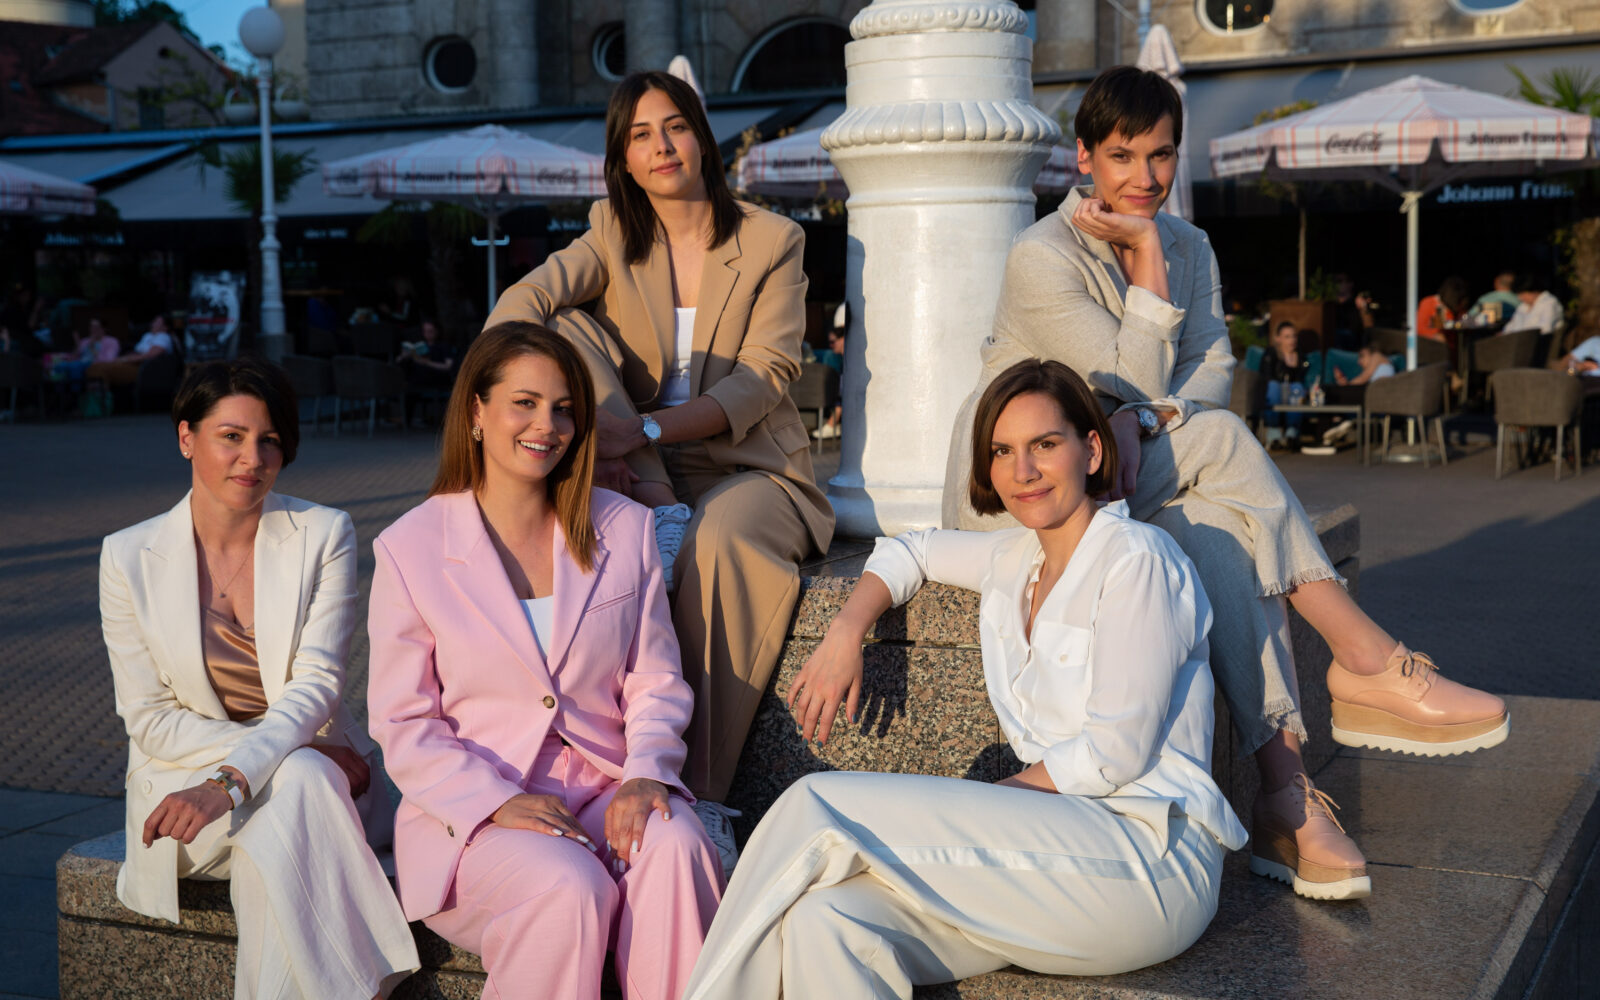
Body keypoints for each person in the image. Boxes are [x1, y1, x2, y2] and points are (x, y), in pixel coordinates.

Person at [943, 65, 1508, 902]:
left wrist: (1147, 418)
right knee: (1221, 439)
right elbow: (1130, 379)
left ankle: (1285, 794)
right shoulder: (1042, 256)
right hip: (1025, 492)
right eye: (1122, 156)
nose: (1145, 177)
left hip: (1123, 479)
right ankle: (1365, 658)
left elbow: (1213, 367)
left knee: (1219, 540)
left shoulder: (1193, 243)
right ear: (1084, 158)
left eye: (1161, 155)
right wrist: (1145, 264)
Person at [683, 360, 1246, 999]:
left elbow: (1116, 751)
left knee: (816, 805)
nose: (1023, 470)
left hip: (1148, 857)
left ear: (1092, 450)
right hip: (1053, 860)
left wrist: (985, 808)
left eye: (1045, 444)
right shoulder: (1013, 559)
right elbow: (912, 549)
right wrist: (845, 632)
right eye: (1003, 451)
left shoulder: (1135, 558)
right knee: (827, 921)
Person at [483, 69, 834, 868]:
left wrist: (636, 429)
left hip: (750, 466)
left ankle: (700, 797)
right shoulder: (611, 231)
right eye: (640, 135)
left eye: (673, 126)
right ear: (623, 160)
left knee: (720, 539)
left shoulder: (772, 240)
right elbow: (520, 306)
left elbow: (765, 376)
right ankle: (657, 510)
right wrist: (538, 416)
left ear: (701, 137)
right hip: (639, 467)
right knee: (559, 322)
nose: (661, 146)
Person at [366, 322, 723, 1000]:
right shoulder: (409, 548)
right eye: (524, 403)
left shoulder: (623, 526)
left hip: (605, 790)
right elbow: (403, 723)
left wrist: (647, 773)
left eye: (563, 409)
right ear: (476, 412)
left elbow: (655, 680)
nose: (547, 425)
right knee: (569, 883)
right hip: (473, 820)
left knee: (678, 845)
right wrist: (497, 802)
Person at [98, 358, 419, 998]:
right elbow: (149, 719)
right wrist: (291, 752)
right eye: (232, 436)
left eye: (269, 440)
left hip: (295, 790)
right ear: (186, 437)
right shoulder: (128, 555)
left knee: (278, 831)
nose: (253, 458)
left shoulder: (323, 532)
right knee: (298, 777)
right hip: (184, 804)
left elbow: (317, 684)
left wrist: (237, 779)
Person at [1260, 320, 1312, 448]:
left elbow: (1302, 380)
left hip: (1292, 395)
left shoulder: (1301, 357)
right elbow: (1266, 377)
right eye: (1287, 337)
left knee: (1297, 387)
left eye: (1294, 336)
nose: (1292, 340)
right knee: (1273, 386)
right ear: (1278, 338)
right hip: (1275, 393)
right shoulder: (1271, 353)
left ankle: (1291, 433)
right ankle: (1273, 432)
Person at [397, 317, 458, 426]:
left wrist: (427, 363)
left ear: (437, 331)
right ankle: (406, 421)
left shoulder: (444, 346)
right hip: (417, 380)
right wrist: (405, 356)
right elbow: (398, 362)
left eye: (431, 331)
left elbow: (448, 366)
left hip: (437, 378)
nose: (428, 334)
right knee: (408, 388)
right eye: (425, 331)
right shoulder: (420, 345)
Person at [1417, 275, 1472, 344]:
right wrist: (1434, 335)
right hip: (1432, 346)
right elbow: (1419, 328)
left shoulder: (1457, 310)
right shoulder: (1429, 303)